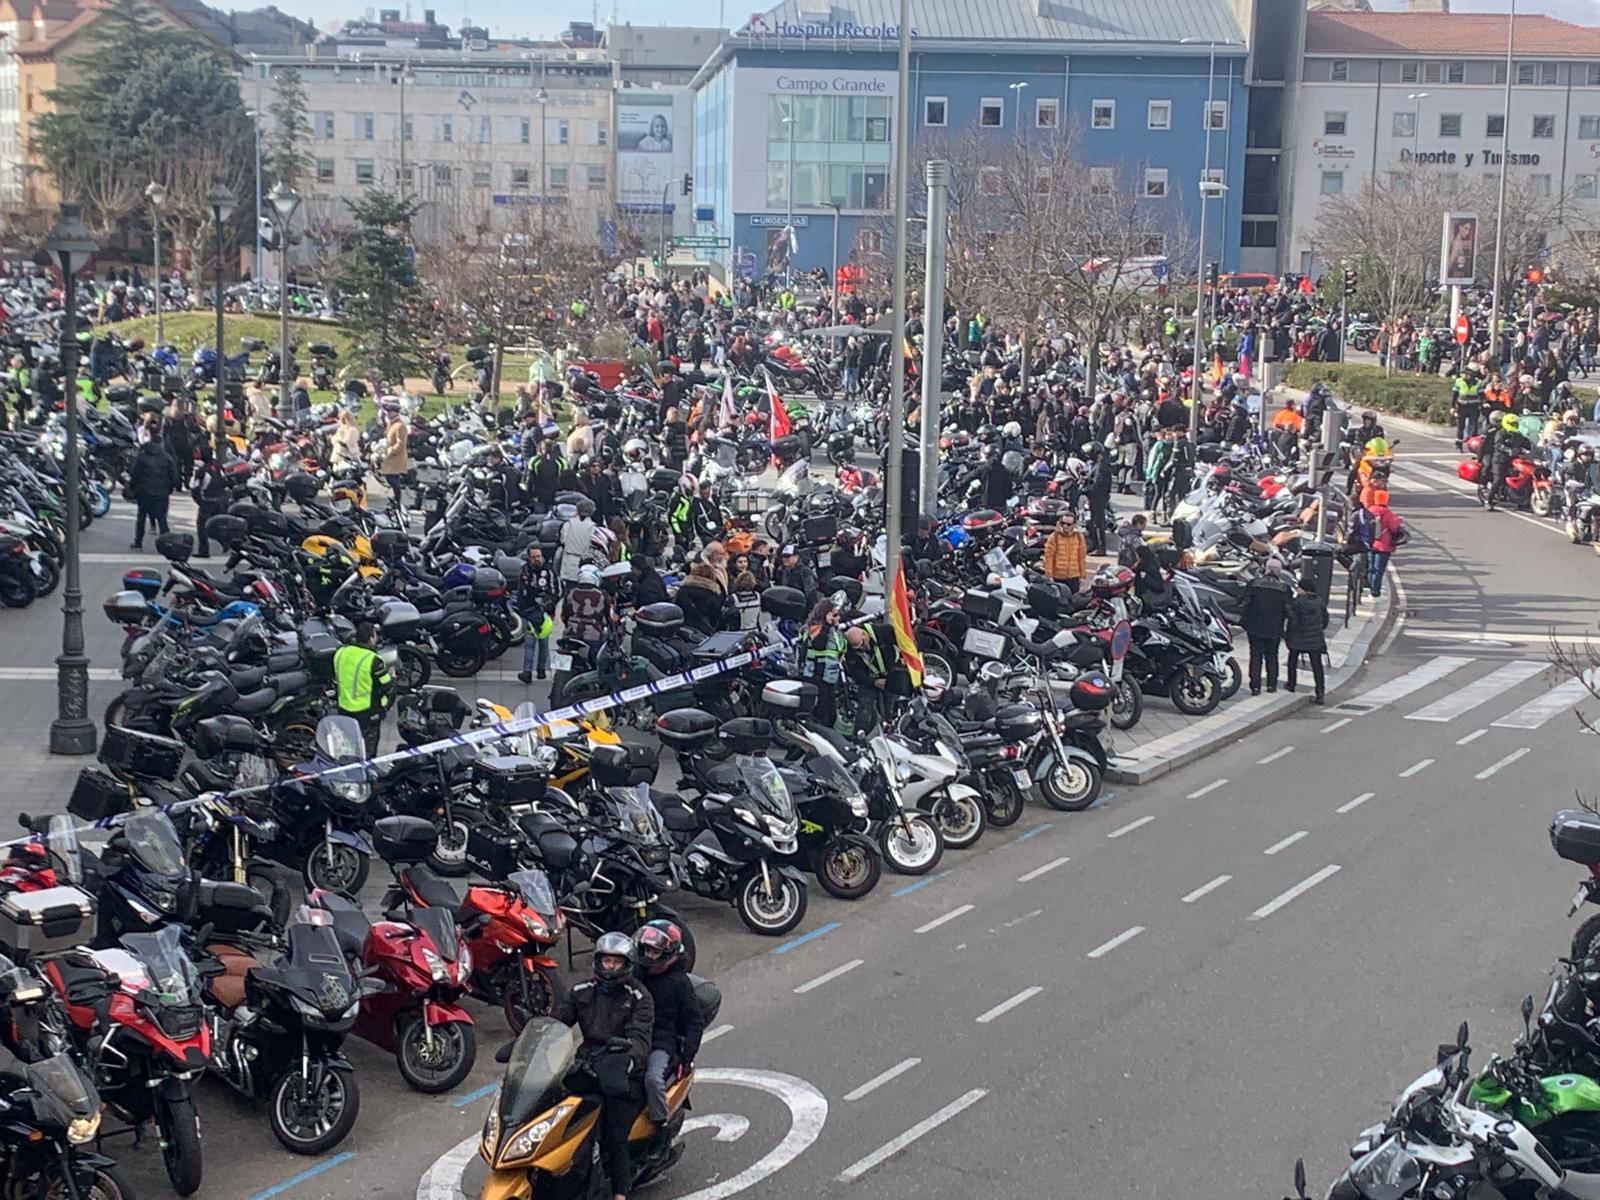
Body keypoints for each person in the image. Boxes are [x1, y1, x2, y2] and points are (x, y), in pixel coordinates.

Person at [555, 932, 654, 1200]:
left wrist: (625, 1060)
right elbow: (555, 1026)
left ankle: (619, 1193)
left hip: (620, 1072)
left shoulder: (639, 997)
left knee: (614, 1132)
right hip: (586, 1065)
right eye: (606, 960)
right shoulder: (580, 991)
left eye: (616, 962)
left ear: (628, 964)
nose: (610, 966)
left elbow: (639, 1040)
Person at [633, 921, 703, 1128]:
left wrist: (686, 1057)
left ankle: (660, 1128)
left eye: (654, 952)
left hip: (661, 1044)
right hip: (634, 1038)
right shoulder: (636, 973)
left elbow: (694, 1022)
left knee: (653, 1080)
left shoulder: (680, 983)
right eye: (646, 950)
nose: (648, 956)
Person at [333, 622, 393, 756]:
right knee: (367, 750)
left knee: (348, 748)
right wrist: (392, 677)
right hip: (367, 713)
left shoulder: (341, 652)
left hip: (344, 709)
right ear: (371, 638)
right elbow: (386, 686)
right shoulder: (373, 660)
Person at [1239, 557, 1292, 695]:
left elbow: (1244, 604)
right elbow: (1289, 610)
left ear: (1266, 569)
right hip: (1274, 628)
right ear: (1279, 572)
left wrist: (1244, 621)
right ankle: (1271, 685)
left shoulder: (1254, 584)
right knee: (1272, 656)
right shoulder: (1284, 588)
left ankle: (1255, 686)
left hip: (1255, 627)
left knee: (1255, 656)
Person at [798, 598, 846, 731]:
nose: (838, 617)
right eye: (834, 614)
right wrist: (828, 624)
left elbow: (840, 647)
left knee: (830, 714)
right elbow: (818, 643)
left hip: (829, 676)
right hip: (816, 674)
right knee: (821, 711)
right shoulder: (816, 628)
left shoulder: (834, 631)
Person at [844, 620, 897, 735]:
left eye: (862, 644)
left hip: (890, 674)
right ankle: (858, 736)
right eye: (857, 648)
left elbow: (902, 642)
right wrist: (873, 682)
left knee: (890, 706)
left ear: (865, 634)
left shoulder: (883, 630)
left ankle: (890, 730)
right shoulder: (849, 648)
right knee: (865, 708)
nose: (862, 649)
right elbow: (855, 672)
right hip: (869, 680)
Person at [127, 438, 179, 550]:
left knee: (141, 517)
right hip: (162, 493)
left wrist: (132, 488)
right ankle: (167, 543)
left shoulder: (142, 458)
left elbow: (135, 474)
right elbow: (174, 477)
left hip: (144, 492)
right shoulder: (167, 458)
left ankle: (138, 541)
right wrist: (168, 488)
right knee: (162, 519)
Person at [1284, 577, 1329, 704]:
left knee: (1292, 662)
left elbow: (1293, 620)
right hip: (1315, 639)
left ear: (1302, 589)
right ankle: (1320, 693)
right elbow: (1325, 620)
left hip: (1297, 638)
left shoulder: (1297, 602)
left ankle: (1291, 684)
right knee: (1317, 666)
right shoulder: (1319, 601)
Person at [516, 545, 556, 684]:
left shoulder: (549, 571)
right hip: (528, 611)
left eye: (538, 556)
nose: (537, 559)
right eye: (534, 557)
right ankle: (527, 672)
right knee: (529, 643)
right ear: (529, 558)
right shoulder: (525, 571)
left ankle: (541, 670)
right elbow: (522, 590)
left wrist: (549, 607)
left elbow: (555, 591)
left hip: (544, 612)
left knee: (543, 642)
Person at [562, 565, 614, 660]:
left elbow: (564, 615)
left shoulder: (571, 593)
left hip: (571, 633)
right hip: (594, 635)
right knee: (596, 663)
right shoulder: (603, 595)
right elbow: (610, 617)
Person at [1364, 488, 1404, 598]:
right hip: (1384, 545)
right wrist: (1398, 520)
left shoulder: (1370, 510)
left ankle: (1370, 587)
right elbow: (1394, 528)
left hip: (1371, 543)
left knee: (1371, 567)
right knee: (1379, 570)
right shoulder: (1387, 513)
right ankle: (1375, 592)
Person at [190, 444, 229, 558]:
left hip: (207, 501)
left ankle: (204, 551)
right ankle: (225, 543)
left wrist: (200, 502)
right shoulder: (218, 466)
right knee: (217, 525)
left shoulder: (201, 471)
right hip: (221, 500)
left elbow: (195, 488)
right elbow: (226, 481)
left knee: (202, 527)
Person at [1042, 514, 1088, 592]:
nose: (1065, 526)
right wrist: (1049, 575)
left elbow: (1081, 557)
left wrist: (1082, 576)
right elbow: (1049, 557)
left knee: (1073, 601)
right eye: (1063, 523)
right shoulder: (1054, 537)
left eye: (1068, 524)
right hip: (1058, 578)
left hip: (1073, 577)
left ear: (1074, 525)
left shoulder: (1079, 537)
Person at [559, 498, 598, 589]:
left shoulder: (568, 524)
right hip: (585, 565)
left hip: (568, 563)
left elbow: (563, 540)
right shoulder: (593, 527)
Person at [380, 404, 409, 511]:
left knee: (393, 479)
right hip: (390, 457)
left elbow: (401, 444)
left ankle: (397, 500)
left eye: (390, 411)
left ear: (395, 412)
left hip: (396, 458)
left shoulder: (400, 426)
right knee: (390, 478)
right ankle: (395, 500)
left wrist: (390, 451)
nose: (388, 414)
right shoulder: (391, 424)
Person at [331, 409, 362, 475]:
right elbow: (333, 440)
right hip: (339, 456)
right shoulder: (340, 429)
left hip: (349, 457)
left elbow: (347, 442)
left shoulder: (352, 430)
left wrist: (339, 437)